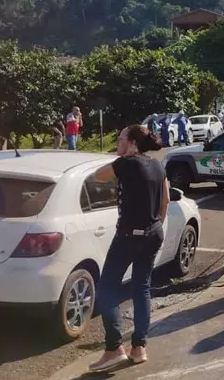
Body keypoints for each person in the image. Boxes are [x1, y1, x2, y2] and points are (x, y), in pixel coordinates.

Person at [88, 126, 168, 372]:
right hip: (153, 233)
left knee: (106, 290)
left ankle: (114, 348)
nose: (117, 142)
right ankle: (139, 348)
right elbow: (164, 200)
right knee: (141, 288)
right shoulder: (157, 165)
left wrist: (124, 157)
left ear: (132, 142)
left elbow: (98, 176)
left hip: (128, 236)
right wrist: (153, 226)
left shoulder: (127, 164)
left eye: (120, 138)